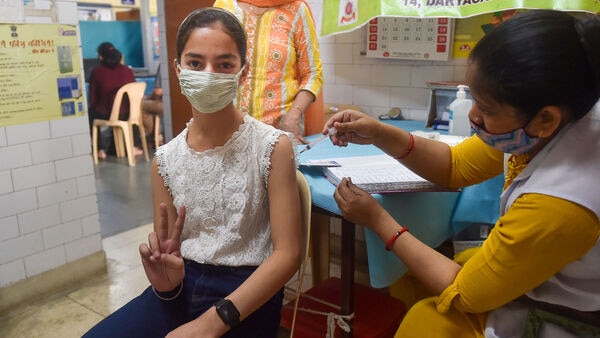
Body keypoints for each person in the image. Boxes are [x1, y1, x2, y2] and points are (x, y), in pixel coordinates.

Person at [324, 10, 600, 337]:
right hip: (543, 275)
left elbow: (465, 294)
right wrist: (381, 133)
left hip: (568, 315)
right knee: (421, 274)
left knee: (426, 321)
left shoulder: (559, 203)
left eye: (487, 109)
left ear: (545, 119)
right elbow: (456, 166)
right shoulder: (556, 117)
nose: (473, 116)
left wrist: (378, 219)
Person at [83, 7, 301, 338]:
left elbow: (288, 254)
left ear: (242, 73)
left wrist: (212, 322)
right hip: (181, 289)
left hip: (247, 294)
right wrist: (166, 284)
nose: (209, 74)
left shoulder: (272, 147)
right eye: (196, 63)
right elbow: (169, 252)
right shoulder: (165, 160)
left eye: (224, 64)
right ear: (178, 69)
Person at [213, 0, 323, 143]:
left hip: (280, 132)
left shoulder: (297, 10)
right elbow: (212, 68)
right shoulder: (224, 7)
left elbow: (313, 74)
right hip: (230, 131)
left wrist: (293, 116)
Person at [88, 42, 142, 160]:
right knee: (131, 112)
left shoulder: (97, 72)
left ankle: (99, 150)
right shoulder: (127, 70)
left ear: (101, 57)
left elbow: (92, 99)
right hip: (128, 114)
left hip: (107, 114)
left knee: (90, 114)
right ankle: (133, 146)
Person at [142, 65, 164, 148]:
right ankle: (157, 137)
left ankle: (156, 138)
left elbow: (158, 92)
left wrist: (147, 97)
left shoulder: (163, 65)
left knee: (139, 106)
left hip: (167, 104)